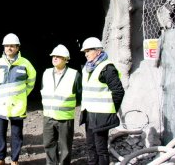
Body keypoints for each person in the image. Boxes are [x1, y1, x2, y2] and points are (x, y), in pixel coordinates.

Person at [0, 33, 37, 165]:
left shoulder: (25, 64)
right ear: (3, 47)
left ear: (18, 48)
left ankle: (14, 159)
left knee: (16, 134)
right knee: (1, 133)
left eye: (12, 46)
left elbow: (31, 81)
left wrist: (22, 95)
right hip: (1, 106)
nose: (9, 48)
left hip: (17, 106)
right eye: (7, 46)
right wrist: (1, 94)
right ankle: (0, 158)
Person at [79, 37, 125, 165]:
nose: (86, 54)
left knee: (101, 149)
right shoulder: (87, 68)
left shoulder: (107, 68)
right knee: (90, 146)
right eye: (85, 51)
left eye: (88, 51)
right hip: (89, 114)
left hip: (101, 116)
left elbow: (118, 92)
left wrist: (110, 110)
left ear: (98, 51)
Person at [41, 44, 82, 165]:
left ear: (66, 59)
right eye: (53, 56)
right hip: (48, 116)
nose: (55, 58)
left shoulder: (74, 75)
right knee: (49, 144)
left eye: (58, 56)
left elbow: (79, 95)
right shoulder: (46, 73)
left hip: (65, 117)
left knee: (65, 146)